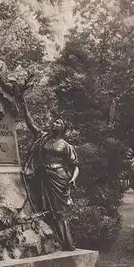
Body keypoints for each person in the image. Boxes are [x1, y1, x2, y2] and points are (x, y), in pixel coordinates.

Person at [20, 96, 80, 251]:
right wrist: (24, 105)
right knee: (44, 209)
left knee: (60, 212)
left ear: (63, 128)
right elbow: (30, 124)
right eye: (55, 121)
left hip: (60, 178)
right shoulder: (43, 137)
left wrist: (73, 179)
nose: (55, 123)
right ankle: (54, 242)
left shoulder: (66, 146)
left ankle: (66, 243)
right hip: (43, 178)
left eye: (59, 122)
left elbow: (75, 166)